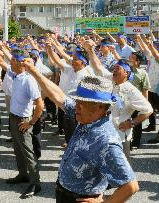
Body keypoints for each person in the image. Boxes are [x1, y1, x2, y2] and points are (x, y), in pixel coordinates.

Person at [24, 60, 139, 202]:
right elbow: (59, 96)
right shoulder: (87, 115)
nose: (76, 106)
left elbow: (130, 186)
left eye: (82, 102)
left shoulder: (105, 141)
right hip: (63, 193)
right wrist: (34, 71)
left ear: (100, 107)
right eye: (77, 101)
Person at [5, 49, 44, 199]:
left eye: (13, 60)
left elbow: (39, 104)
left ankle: (36, 182)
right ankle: (23, 175)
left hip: (23, 120)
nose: (10, 62)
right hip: (13, 118)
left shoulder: (29, 80)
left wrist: (31, 123)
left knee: (28, 152)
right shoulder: (17, 76)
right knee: (18, 150)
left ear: (20, 63)